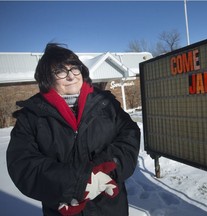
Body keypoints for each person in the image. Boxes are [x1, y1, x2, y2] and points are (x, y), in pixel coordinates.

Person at [6, 43, 141, 216]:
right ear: (47, 78)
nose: (71, 76)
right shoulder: (32, 116)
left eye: (74, 69)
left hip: (111, 208)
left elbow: (130, 135)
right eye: (61, 71)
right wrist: (78, 183)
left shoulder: (106, 104)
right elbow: (23, 165)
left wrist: (106, 169)